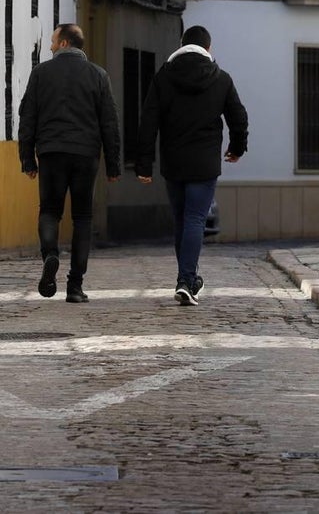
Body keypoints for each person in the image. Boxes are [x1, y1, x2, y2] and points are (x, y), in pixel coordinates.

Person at [135, 26, 248, 306]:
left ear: (181, 45)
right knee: (195, 219)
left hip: (174, 162)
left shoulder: (164, 76)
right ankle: (187, 279)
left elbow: (148, 121)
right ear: (208, 49)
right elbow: (239, 117)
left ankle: (187, 278)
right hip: (205, 162)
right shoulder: (221, 79)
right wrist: (236, 148)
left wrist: (143, 164)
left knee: (182, 220)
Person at [18, 23, 121, 304]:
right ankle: (75, 287)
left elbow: (28, 117)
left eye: (53, 41)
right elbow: (109, 122)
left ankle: (50, 253)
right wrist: (113, 164)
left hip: (51, 152)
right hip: (85, 155)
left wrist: (27, 158)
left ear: (64, 43)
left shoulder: (40, 74)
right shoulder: (99, 75)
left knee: (50, 211)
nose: (50, 46)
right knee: (83, 218)